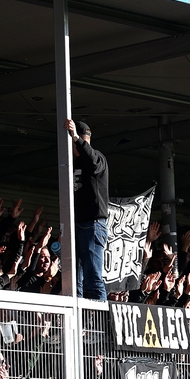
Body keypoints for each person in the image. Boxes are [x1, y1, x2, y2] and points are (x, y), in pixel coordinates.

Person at [64, 118, 109, 301]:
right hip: (79, 224)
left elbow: (93, 162)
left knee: (93, 278)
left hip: (92, 224)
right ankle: (79, 316)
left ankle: (102, 317)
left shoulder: (97, 157)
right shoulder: (74, 163)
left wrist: (76, 138)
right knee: (75, 279)